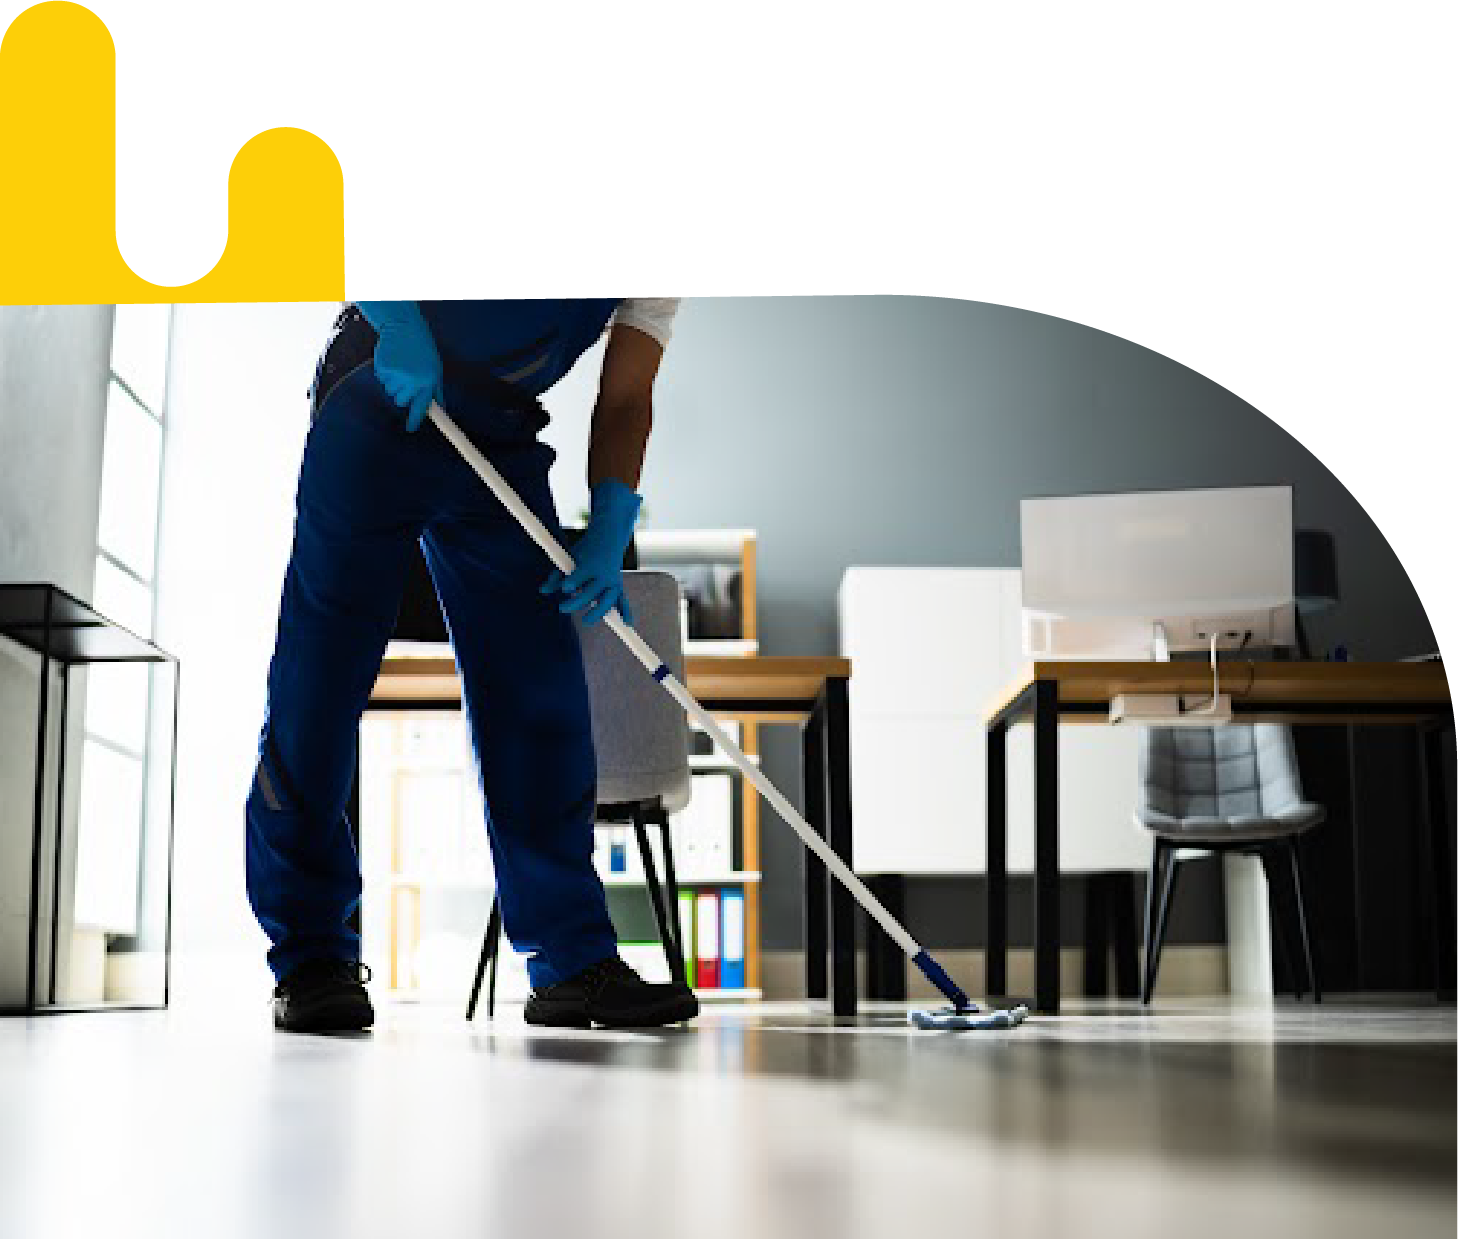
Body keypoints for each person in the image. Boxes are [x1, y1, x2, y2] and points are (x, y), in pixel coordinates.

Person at [245, 298, 698, 1033]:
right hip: (383, 383)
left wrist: (612, 516)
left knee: (538, 683)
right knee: (321, 678)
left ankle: (571, 959)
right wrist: (394, 315)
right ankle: (311, 956)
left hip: (500, 429)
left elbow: (625, 395)